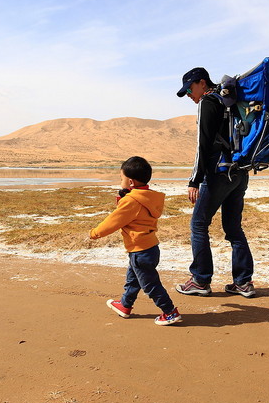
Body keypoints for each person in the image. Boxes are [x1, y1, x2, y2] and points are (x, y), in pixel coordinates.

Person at [174, 67, 256, 298]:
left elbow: (204, 145)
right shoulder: (229, 100)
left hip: (218, 173)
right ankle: (243, 282)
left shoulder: (208, 102)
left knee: (198, 225)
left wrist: (194, 180)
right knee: (233, 228)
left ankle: (200, 280)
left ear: (202, 83)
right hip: (239, 173)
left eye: (190, 89)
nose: (190, 95)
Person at [90, 156, 182, 326]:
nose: (120, 182)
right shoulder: (148, 197)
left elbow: (114, 221)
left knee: (150, 284)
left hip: (140, 250)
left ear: (130, 182)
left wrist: (95, 233)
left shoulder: (131, 201)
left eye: (121, 178)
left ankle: (169, 312)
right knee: (133, 278)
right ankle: (125, 305)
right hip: (149, 247)